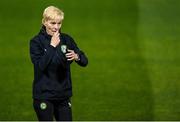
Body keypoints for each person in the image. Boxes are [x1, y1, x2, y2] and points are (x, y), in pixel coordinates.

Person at [29, 6, 88, 121]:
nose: (56, 27)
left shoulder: (67, 40)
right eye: (53, 23)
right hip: (44, 97)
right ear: (44, 22)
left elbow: (85, 61)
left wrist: (77, 57)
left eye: (59, 23)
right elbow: (40, 66)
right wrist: (52, 46)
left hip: (63, 97)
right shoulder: (36, 42)